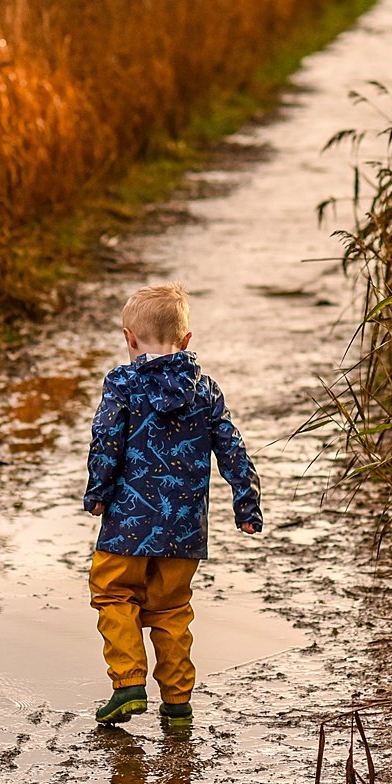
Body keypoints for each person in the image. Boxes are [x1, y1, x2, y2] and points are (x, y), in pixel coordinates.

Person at [82, 282, 263, 727]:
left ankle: (127, 683)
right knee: (171, 610)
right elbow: (233, 449)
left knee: (113, 594)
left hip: (128, 524)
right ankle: (178, 701)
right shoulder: (206, 390)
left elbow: (106, 440)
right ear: (186, 342)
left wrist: (98, 493)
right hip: (183, 531)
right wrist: (247, 503)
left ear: (129, 338)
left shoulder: (122, 384)